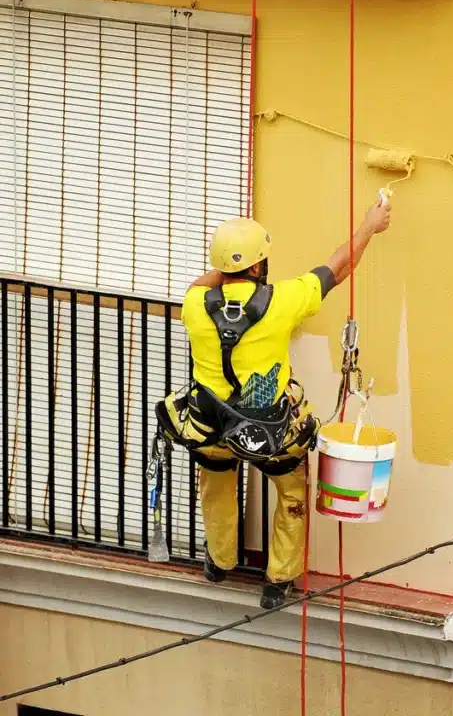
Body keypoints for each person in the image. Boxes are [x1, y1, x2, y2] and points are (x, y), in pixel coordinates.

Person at [175, 198, 391, 609]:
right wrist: (369, 227)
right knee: (291, 492)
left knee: (216, 487)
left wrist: (227, 266)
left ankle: (220, 562)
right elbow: (337, 268)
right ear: (258, 266)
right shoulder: (283, 300)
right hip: (270, 430)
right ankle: (279, 579)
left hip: (210, 428)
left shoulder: (193, 305)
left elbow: (200, 286)